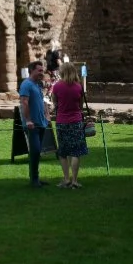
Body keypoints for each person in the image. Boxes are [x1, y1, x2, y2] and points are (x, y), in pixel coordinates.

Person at [51, 62, 87, 190]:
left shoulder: (57, 87)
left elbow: (55, 104)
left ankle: (66, 179)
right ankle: (75, 181)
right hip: (76, 122)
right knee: (76, 152)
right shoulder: (78, 87)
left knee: (63, 152)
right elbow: (81, 106)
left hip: (62, 122)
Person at [18, 58, 49, 188]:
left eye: (43, 70)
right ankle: (34, 180)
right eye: (39, 70)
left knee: (37, 152)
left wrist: (47, 115)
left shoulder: (37, 84)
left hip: (41, 123)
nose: (42, 72)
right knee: (35, 151)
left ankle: (36, 178)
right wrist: (28, 120)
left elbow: (43, 101)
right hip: (33, 125)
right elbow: (24, 102)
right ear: (32, 71)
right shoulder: (26, 84)